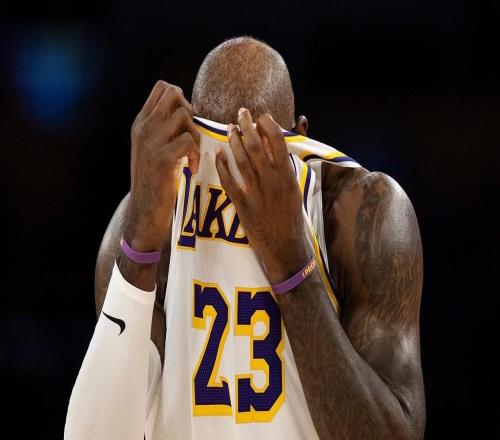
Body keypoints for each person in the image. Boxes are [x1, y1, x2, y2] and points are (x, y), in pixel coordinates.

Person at [65, 37, 425, 440]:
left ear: (299, 138)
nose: (232, 182)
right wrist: (139, 247)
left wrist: (293, 266)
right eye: (214, 149)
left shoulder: (361, 210)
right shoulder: (146, 224)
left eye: (254, 152)